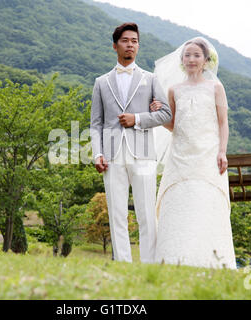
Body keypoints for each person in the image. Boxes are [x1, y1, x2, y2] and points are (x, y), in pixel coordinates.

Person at [90, 22, 172, 263]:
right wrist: (97, 154)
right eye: (126, 41)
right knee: (117, 214)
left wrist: (137, 118)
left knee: (146, 214)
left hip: (144, 155)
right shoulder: (101, 82)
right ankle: (123, 264)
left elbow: (165, 114)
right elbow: (95, 124)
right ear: (115, 46)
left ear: (138, 46)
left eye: (134, 41)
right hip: (112, 157)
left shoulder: (151, 78)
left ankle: (149, 264)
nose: (130, 45)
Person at [152, 37, 237, 269]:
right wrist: (159, 116)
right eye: (187, 55)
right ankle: (171, 259)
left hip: (208, 154)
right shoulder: (173, 90)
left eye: (196, 55)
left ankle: (212, 260)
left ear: (206, 60)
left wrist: (222, 151)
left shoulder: (216, 88)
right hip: (180, 154)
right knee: (179, 201)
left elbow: (223, 123)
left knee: (205, 200)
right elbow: (173, 124)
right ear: (181, 60)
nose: (191, 59)